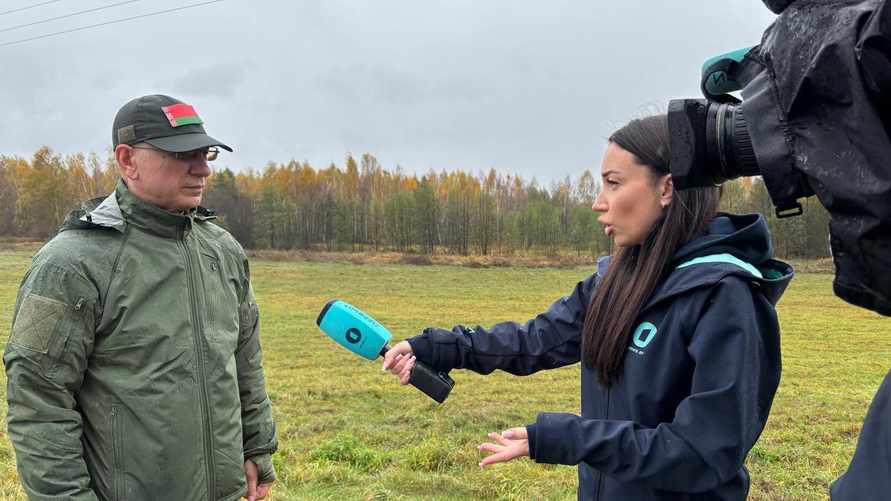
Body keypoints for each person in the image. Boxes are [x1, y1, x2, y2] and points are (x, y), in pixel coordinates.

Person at [383, 115, 794, 500]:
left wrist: (571, 437)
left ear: (666, 189)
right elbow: (535, 340)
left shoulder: (726, 297)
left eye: (614, 183)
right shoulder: (616, 278)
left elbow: (701, 452)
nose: (599, 202)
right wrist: (441, 347)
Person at [4, 94, 277, 501]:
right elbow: (38, 401)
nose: (202, 168)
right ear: (127, 159)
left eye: (207, 154)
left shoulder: (223, 251)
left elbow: (244, 361)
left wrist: (256, 447)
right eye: (183, 154)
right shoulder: (70, 264)